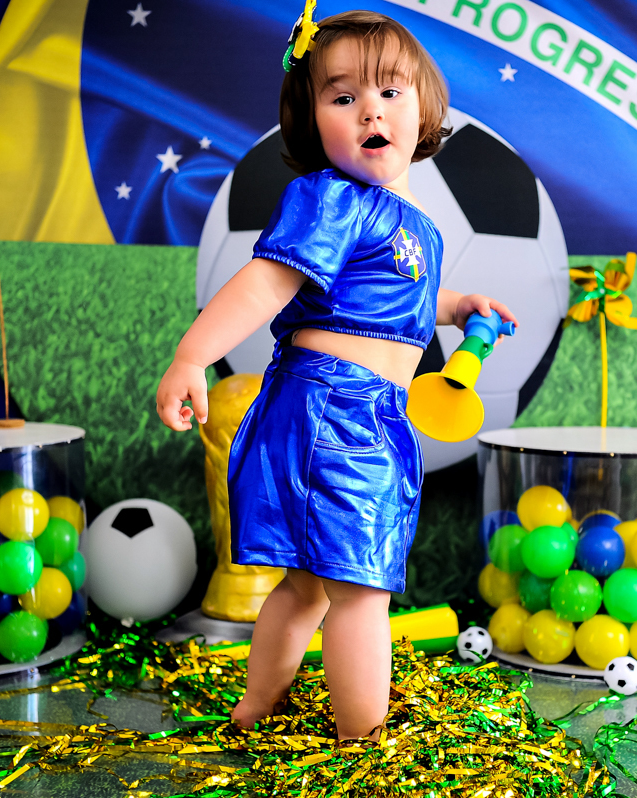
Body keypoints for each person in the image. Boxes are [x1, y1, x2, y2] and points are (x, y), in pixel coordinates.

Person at [155, 8, 516, 741]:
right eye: (344, 97)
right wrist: (192, 355)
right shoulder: (332, 197)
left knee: (310, 585)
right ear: (312, 120)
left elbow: (396, 297)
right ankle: (362, 738)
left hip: (363, 413)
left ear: (424, 111)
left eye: (389, 92)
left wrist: (456, 308)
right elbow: (265, 283)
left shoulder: (413, 223)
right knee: (360, 589)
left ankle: (258, 706)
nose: (370, 110)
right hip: (334, 410)